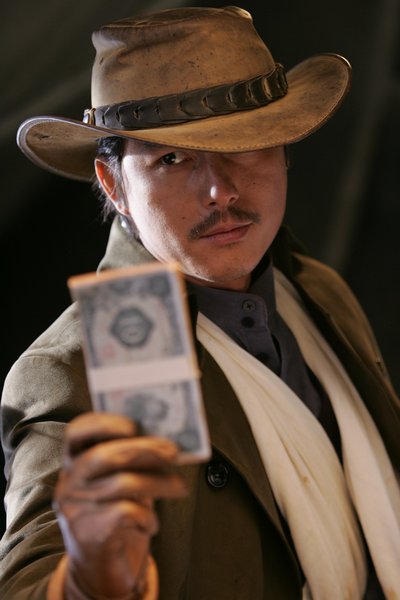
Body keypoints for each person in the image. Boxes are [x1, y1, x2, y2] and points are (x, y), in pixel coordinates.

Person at [1, 5, 399, 600]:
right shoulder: (80, 365)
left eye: (245, 144)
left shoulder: (318, 292)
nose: (221, 190)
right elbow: (29, 574)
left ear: (284, 148)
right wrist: (88, 579)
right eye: (172, 159)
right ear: (113, 185)